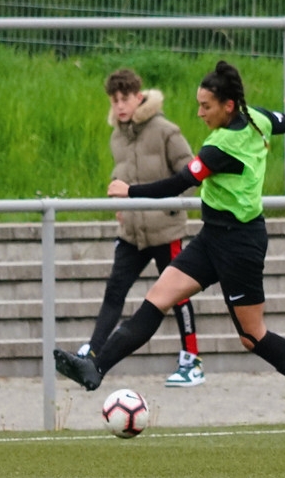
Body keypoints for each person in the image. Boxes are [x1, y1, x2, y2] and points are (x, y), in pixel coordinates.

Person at [54, 60, 285, 432]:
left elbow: (177, 184)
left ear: (227, 106)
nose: (199, 112)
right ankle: (94, 367)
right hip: (213, 236)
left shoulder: (221, 146)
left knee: (252, 336)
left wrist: (131, 192)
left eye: (205, 106)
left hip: (241, 245)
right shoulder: (257, 116)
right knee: (158, 298)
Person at [77, 68, 204, 387]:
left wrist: (169, 206)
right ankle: (92, 353)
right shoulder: (116, 135)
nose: (120, 105)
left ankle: (192, 361)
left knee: (178, 295)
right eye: (114, 100)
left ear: (139, 96)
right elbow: (122, 174)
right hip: (132, 235)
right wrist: (121, 204)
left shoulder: (166, 131)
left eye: (125, 98)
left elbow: (190, 176)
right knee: (114, 292)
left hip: (166, 231)